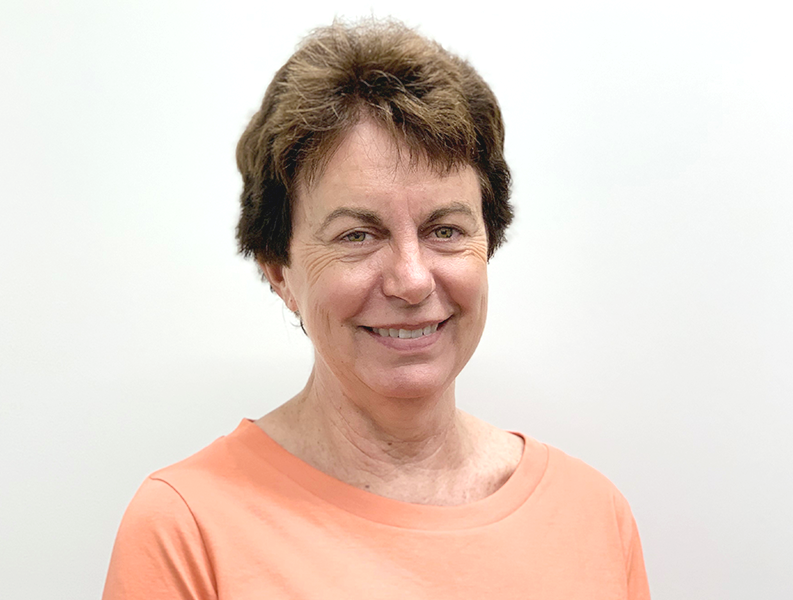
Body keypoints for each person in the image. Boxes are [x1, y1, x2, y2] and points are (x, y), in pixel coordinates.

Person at [103, 19, 649, 600]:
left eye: (445, 229)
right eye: (357, 236)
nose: (412, 281)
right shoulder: (186, 530)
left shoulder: (594, 516)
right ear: (278, 268)